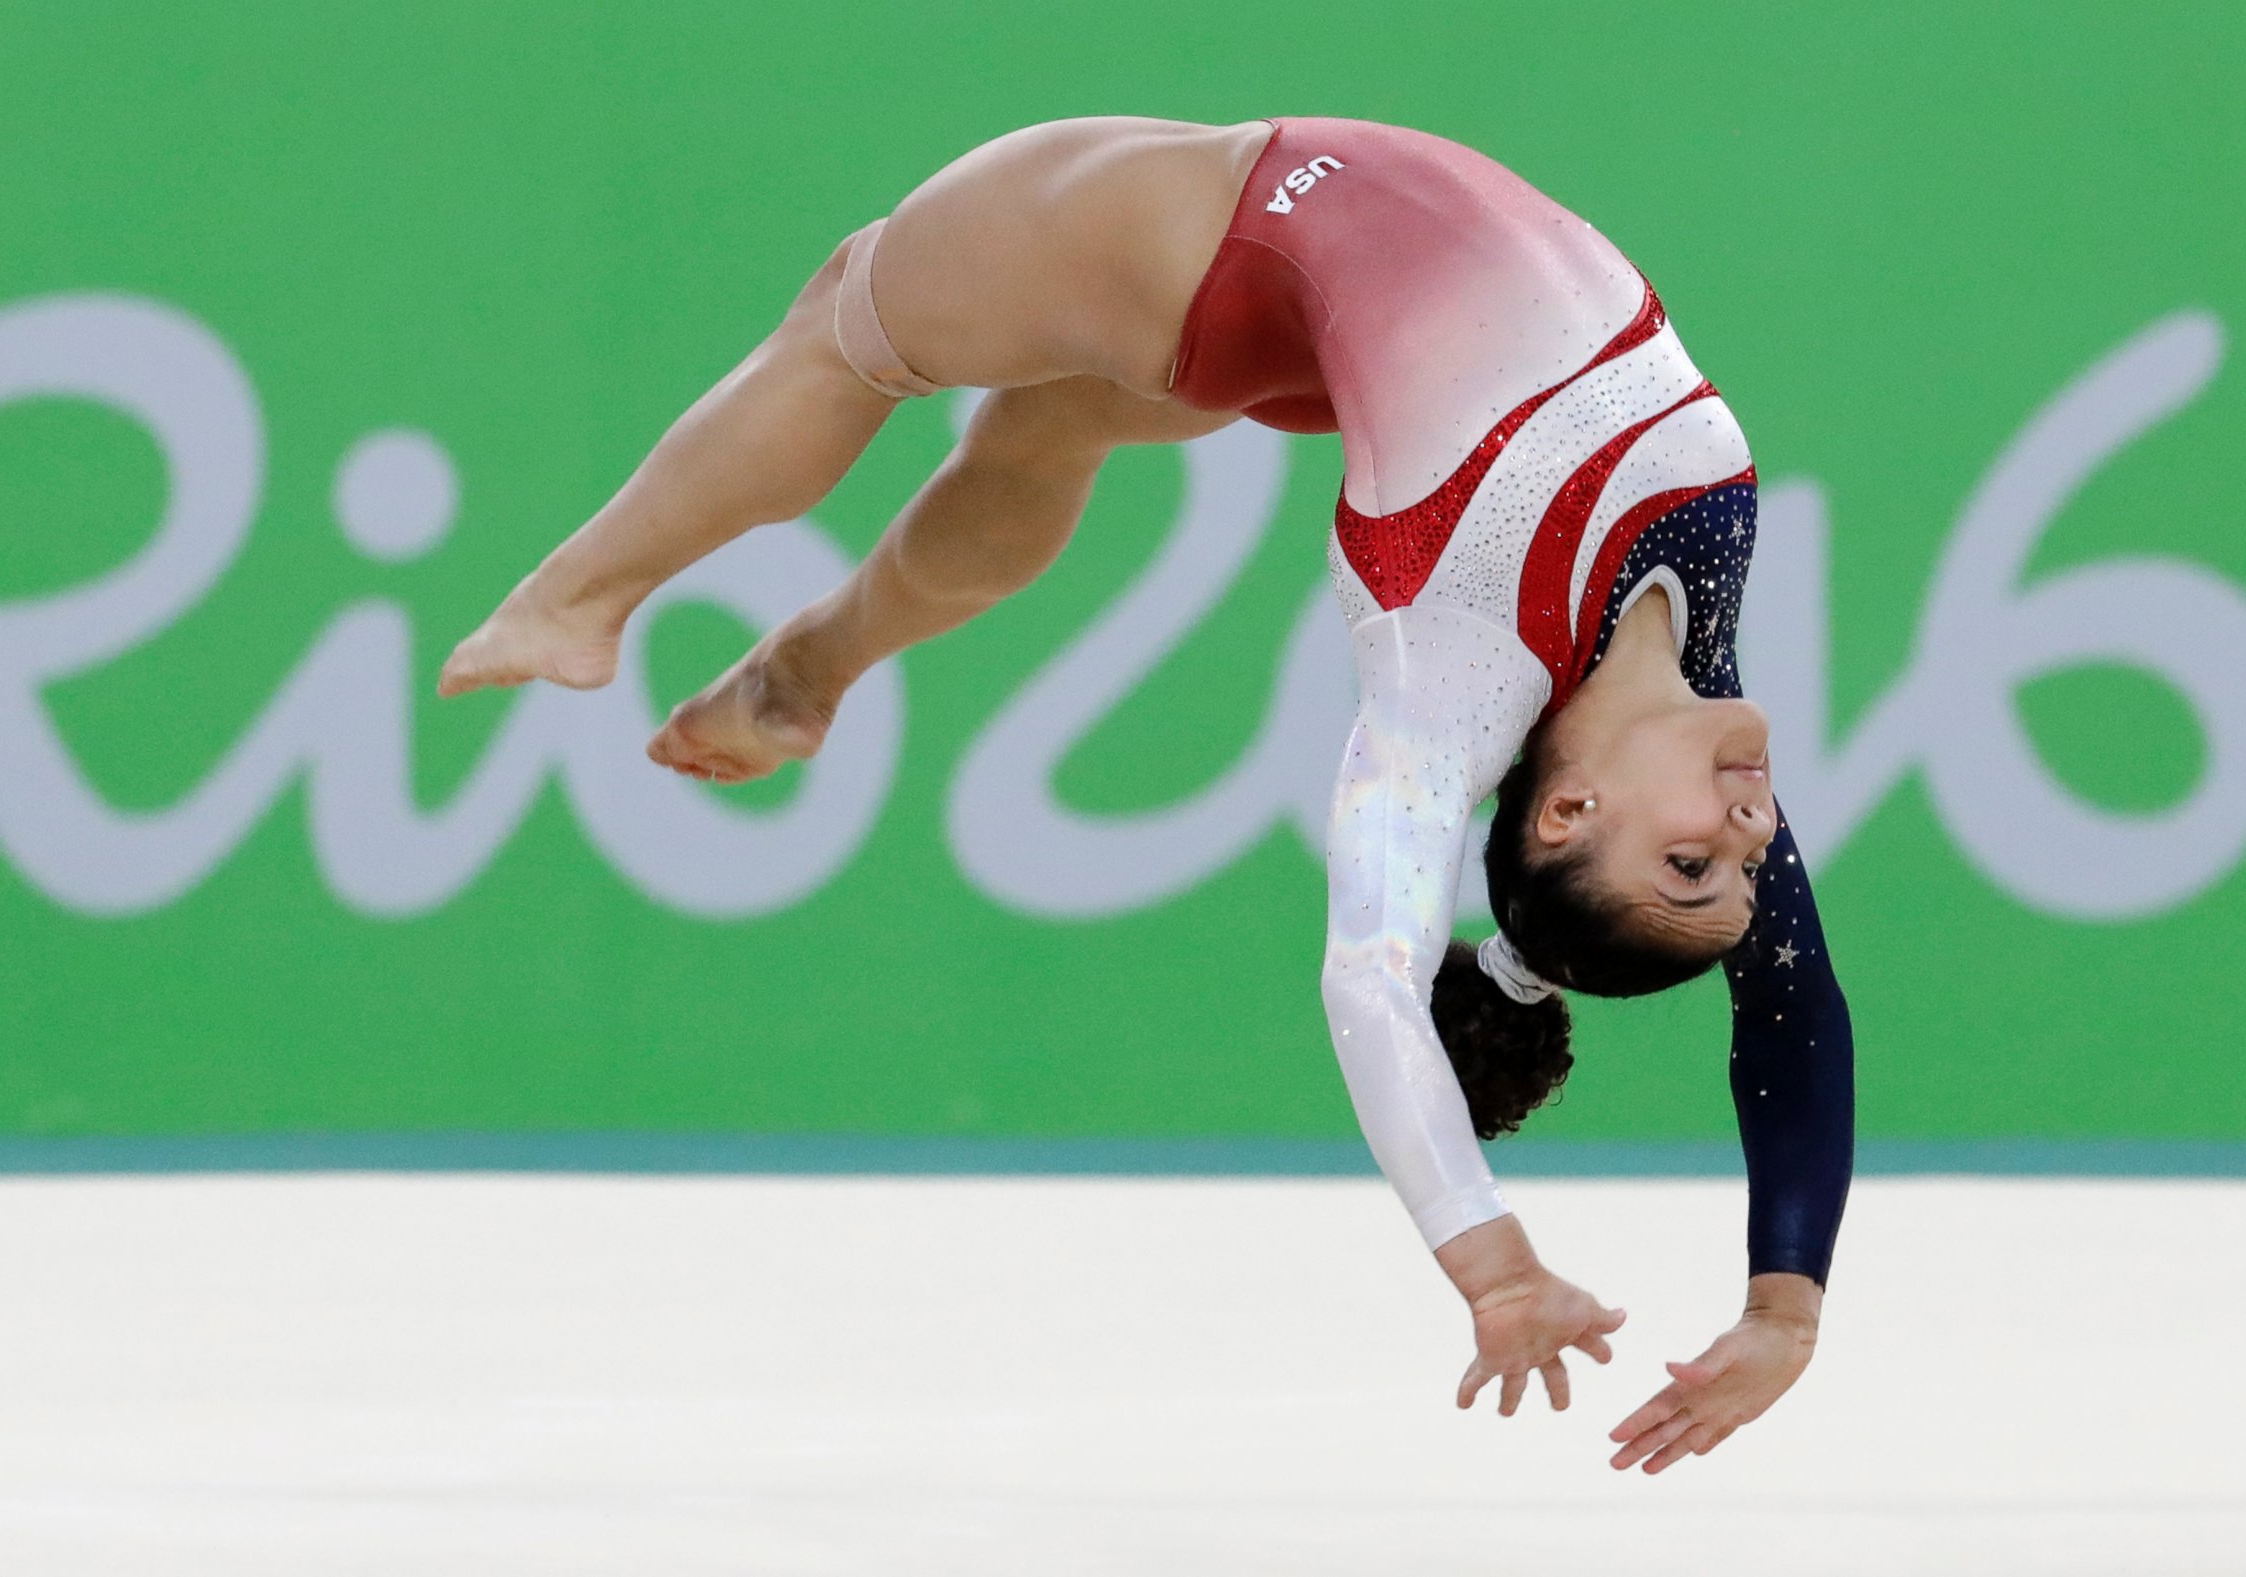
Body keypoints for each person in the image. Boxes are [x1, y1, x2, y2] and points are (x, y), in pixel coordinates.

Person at [439, 116, 1854, 1475]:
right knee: (1038, 435)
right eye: (1737, 863)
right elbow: (1792, 1003)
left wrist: (1485, 1258)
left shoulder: (1453, 670)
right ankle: (814, 664)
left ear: (1566, 818)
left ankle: (580, 601)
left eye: (1696, 866)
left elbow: (1373, 972)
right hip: (1309, 320)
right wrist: (1785, 1308)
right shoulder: (1685, 674)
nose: (1748, 834)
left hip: (1232, 232)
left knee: (851, 316)